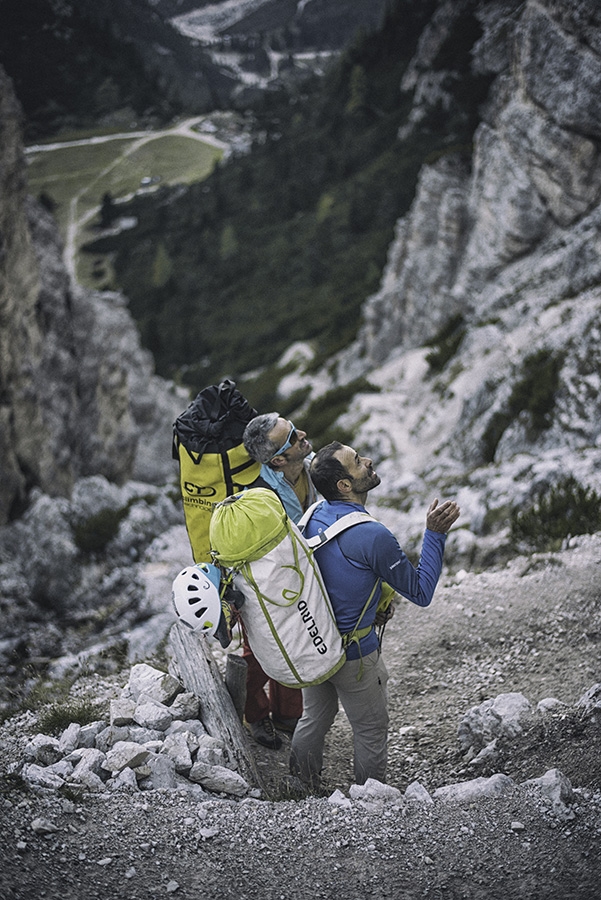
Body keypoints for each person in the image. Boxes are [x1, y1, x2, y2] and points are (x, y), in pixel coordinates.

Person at [289, 440, 460, 790]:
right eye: (356, 461)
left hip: (314, 642)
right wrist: (435, 536)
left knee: (314, 719)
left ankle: (299, 789)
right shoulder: (372, 534)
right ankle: (369, 803)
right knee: (370, 727)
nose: (367, 461)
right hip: (355, 656)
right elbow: (421, 591)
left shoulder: (311, 516)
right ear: (344, 485)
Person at [240, 413, 318, 750]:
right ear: (279, 460)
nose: (303, 433)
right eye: (293, 436)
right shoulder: (258, 496)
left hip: (298, 573)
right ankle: (254, 714)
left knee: (295, 638)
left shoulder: (312, 468)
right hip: (262, 582)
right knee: (260, 650)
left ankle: (288, 714)